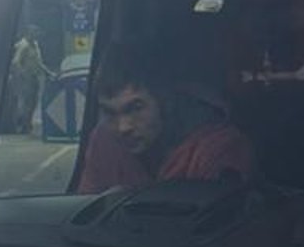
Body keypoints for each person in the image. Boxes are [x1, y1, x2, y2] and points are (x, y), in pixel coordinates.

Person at [77, 49, 253, 191]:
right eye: (110, 113)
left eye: (135, 108)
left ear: (165, 101)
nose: (123, 127)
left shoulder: (218, 148)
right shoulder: (104, 140)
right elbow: (87, 210)